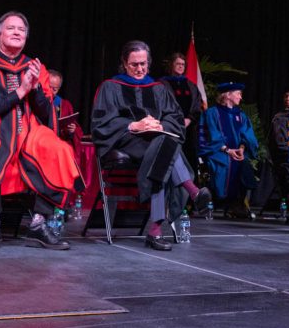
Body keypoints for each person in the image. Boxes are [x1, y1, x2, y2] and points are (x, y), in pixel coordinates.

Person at [0, 12, 84, 252]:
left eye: (22, 29)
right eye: (11, 28)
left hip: (28, 126)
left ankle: (39, 223)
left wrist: (36, 88)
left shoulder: (35, 67)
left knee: (57, 147)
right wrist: (20, 92)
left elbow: (44, 112)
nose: (18, 32)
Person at [91, 41, 210, 250]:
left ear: (149, 63)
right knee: (166, 149)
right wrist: (134, 125)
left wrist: (160, 124)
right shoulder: (110, 86)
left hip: (157, 140)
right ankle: (189, 193)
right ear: (124, 64)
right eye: (134, 64)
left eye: (143, 64)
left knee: (163, 147)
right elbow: (100, 122)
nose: (139, 69)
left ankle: (156, 228)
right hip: (126, 139)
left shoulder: (158, 88)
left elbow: (175, 117)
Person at [198, 83, 259, 218]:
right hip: (217, 151)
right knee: (225, 163)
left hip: (237, 152)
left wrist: (242, 149)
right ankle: (226, 201)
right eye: (238, 94)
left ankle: (237, 204)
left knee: (244, 164)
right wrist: (227, 150)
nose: (240, 97)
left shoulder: (241, 115)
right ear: (228, 95)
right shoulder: (212, 113)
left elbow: (247, 135)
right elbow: (211, 136)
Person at [160, 52, 203, 177]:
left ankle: (192, 194)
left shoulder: (191, 85)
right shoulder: (162, 84)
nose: (180, 66)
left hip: (189, 129)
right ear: (171, 65)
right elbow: (161, 105)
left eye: (183, 64)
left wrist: (189, 119)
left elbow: (197, 104)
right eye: (178, 63)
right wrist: (175, 121)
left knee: (190, 159)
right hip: (170, 128)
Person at [48, 69, 83, 145]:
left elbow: (76, 131)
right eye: (49, 87)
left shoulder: (65, 105)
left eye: (54, 89)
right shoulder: (35, 101)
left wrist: (71, 130)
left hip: (58, 143)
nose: (51, 91)